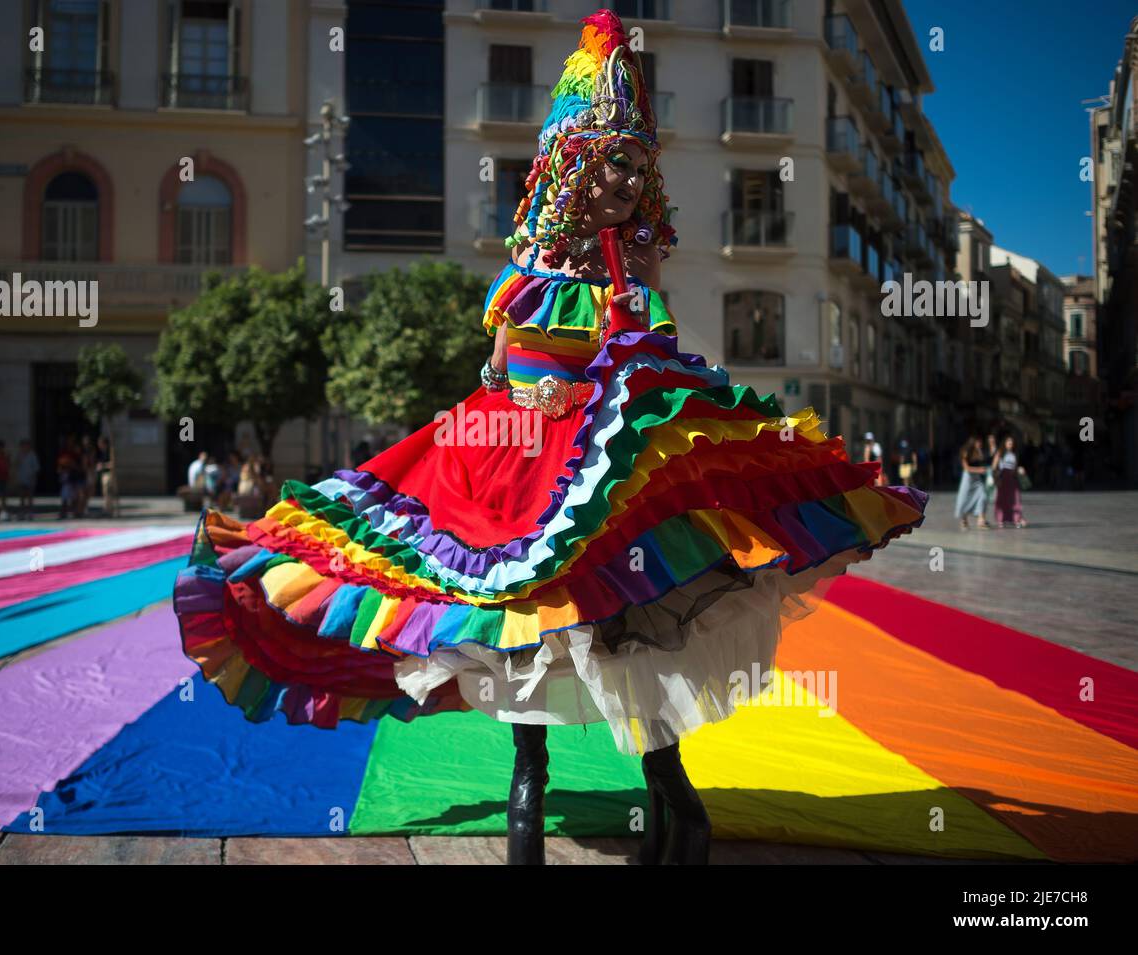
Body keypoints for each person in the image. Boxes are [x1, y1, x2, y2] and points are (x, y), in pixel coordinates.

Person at [171, 8, 928, 867]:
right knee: (529, 662)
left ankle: (681, 819)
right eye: (613, 162)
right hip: (515, 473)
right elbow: (497, 372)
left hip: (607, 478)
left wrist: (622, 352)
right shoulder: (527, 275)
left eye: (638, 168)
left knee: (638, 644)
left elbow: (649, 353)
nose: (625, 182)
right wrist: (536, 389)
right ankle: (571, 821)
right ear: (574, 164)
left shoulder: (630, 269)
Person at [953, 435, 991, 531]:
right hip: (968, 478)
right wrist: (980, 470)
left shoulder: (979, 451)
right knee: (964, 498)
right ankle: (964, 520)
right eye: (978, 442)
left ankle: (981, 520)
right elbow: (966, 468)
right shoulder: (966, 452)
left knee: (983, 496)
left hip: (977, 478)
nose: (980, 444)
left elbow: (984, 461)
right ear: (973, 443)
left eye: (981, 442)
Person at [992, 435, 1028, 528]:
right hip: (1003, 477)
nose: (1010, 445)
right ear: (1005, 443)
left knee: (1016, 499)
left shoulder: (1014, 454)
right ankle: (1001, 519)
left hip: (1012, 478)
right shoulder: (1000, 453)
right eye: (1009, 443)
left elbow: (1014, 468)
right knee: (1002, 499)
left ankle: (1017, 519)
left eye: (1012, 443)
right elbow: (994, 467)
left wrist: (1020, 469)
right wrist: (996, 479)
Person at [16, 438, 40, 520]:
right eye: (22, 446)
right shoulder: (19, 455)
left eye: (25, 445)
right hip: (21, 478)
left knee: (30, 497)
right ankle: (22, 513)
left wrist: (34, 478)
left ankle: (30, 513)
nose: (24, 447)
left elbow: (36, 468)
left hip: (30, 479)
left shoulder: (32, 455)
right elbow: (16, 466)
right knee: (22, 497)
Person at [95, 435, 117, 517]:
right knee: (105, 493)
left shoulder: (110, 451)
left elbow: (113, 464)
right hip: (104, 474)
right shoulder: (101, 452)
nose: (99, 445)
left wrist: (103, 466)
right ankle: (107, 509)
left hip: (109, 474)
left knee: (108, 492)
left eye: (100, 443)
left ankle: (109, 510)